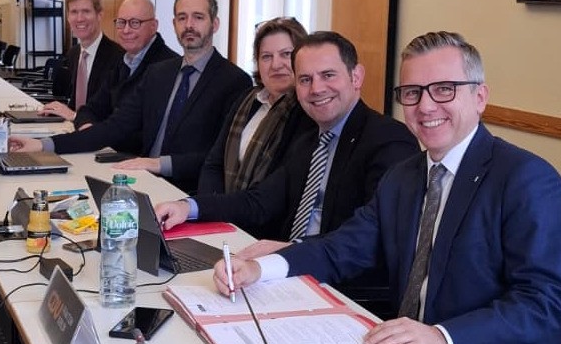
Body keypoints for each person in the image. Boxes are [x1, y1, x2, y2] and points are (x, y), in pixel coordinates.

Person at [213, 31, 561, 344]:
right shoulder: (404, 176)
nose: (426, 106)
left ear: (480, 97)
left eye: (444, 89)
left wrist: (443, 337)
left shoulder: (525, 178)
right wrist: (259, 269)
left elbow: (546, 300)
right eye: (412, 93)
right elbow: (343, 247)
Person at [156, 31, 419, 242]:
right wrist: (188, 207)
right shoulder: (309, 142)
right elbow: (259, 202)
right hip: (289, 269)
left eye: (328, 75)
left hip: (341, 284)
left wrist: (290, 253)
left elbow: (368, 237)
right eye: (305, 79)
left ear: (356, 76)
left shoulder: (388, 140)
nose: (316, 89)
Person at [9, 0, 252, 194]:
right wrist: (44, 145)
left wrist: (159, 164)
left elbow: (221, 157)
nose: (189, 25)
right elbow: (115, 126)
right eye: (182, 18)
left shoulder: (234, 81)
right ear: (174, 24)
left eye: (198, 17)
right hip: (140, 180)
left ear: (215, 24)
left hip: (186, 190)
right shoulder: (160, 73)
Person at [197, 16, 314, 195]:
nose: (276, 64)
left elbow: (276, 191)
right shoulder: (246, 99)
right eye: (266, 57)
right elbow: (214, 163)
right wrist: (209, 206)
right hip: (222, 207)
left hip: (261, 210)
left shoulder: (308, 113)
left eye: (286, 54)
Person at [72, 0, 178, 151]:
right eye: (121, 22)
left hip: (141, 161)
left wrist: (97, 137)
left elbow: (144, 133)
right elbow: (89, 110)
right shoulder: (122, 62)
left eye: (135, 23)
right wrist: (89, 130)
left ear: (153, 26)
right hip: (109, 152)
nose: (126, 30)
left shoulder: (168, 67)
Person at [39, 0, 123, 120]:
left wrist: (74, 116)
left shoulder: (118, 58)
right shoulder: (73, 54)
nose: (79, 18)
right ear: (68, 17)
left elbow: (115, 116)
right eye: (74, 12)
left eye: (86, 11)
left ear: (99, 15)